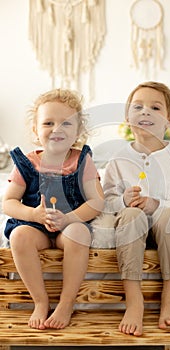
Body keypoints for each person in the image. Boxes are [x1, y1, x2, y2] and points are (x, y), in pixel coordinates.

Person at [2, 89, 104, 330]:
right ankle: (40, 300)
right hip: (35, 226)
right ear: (36, 130)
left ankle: (66, 303)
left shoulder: (82, 161)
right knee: (18, 236)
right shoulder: (27, 163)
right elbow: (8, 203)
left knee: (80, 233)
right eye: (48, 123)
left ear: (77, 132)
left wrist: (68, 219)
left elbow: (97, 202)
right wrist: (33, 214)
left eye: (66, 123)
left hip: (68, 228)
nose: (57, 129)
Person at [102, 81, 170, 336]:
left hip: (166, 225)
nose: (145, 112)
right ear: (127, 117)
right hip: (132, 226)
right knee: (132, 215)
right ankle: (134, 300)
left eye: (155, 108)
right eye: (138, 107)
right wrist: (123, 200)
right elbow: (105, 201)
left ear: (169, 119)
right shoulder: (118, 159)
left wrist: (157, 204)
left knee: (168, 215)